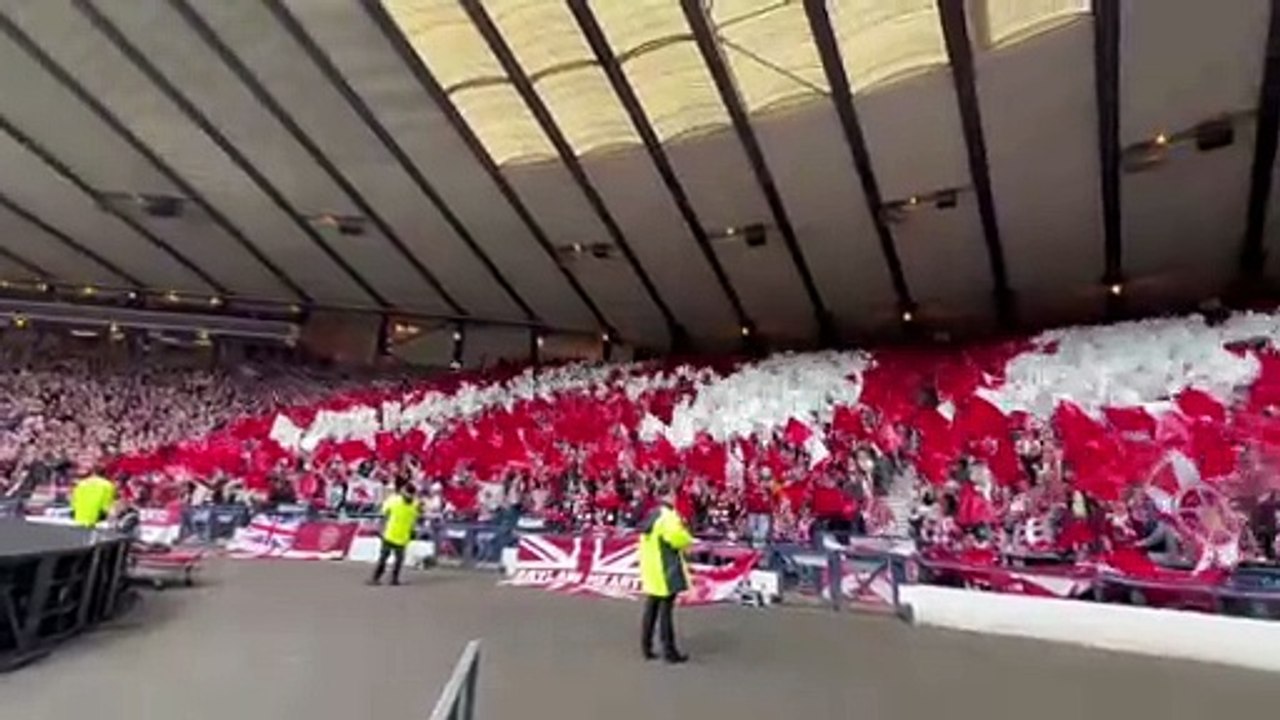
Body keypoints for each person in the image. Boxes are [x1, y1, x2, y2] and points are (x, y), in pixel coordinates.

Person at [638, 487, 694, 663]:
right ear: (669, 496)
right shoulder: (668, 517)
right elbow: (678, 538)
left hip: (651, 567)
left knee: (651, 609)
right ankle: (669, 651)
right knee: (665, 611)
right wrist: (688, 537)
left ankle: (646, 646)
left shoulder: (651, 515)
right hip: (665, 567)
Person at [370, 482, 419, 586]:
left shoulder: (399, 501)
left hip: (396, 535)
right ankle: (384, 578)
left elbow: (384, 513)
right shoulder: (408, 503)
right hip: (395, 535)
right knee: (390, 558)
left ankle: (384, 578)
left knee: (391, 559)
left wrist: (412, 531)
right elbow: (384, 514)